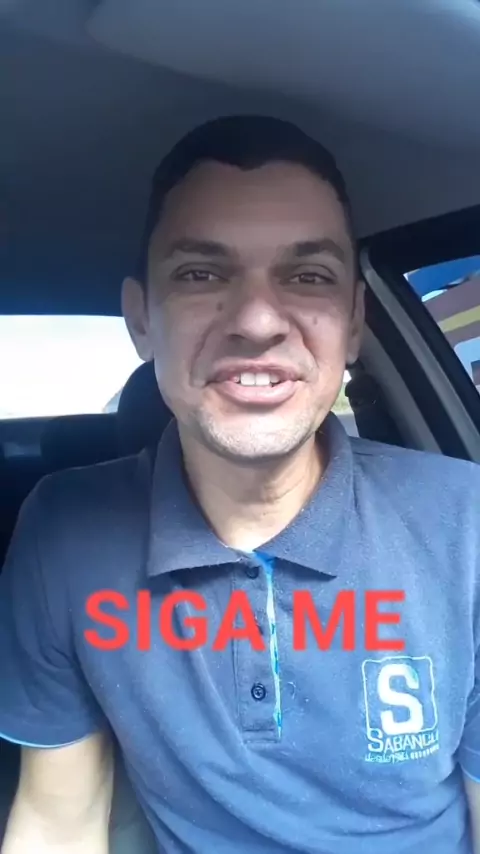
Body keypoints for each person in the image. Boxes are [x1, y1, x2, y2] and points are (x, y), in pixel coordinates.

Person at [0, 114, 480, 854]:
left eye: (308, 276)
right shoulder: (63, 535)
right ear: (141, 320)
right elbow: (59, 822)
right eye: (201, 274)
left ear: (353, 323)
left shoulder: (467, 523)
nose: (257, 321)